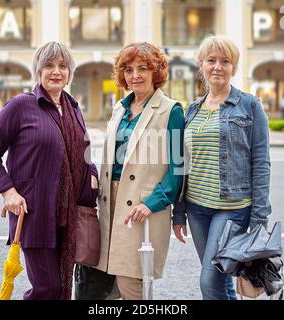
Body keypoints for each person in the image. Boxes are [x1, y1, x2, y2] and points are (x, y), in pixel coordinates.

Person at [0, 41, 99, 300]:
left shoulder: (73, 108)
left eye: (62, 66)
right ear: (38, 70)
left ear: (70, 72)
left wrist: (95, 184)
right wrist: (8, 192)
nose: (56, 71)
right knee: (48, 289)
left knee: (62, 289)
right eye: (49, 65)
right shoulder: (21, 106)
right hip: (35, 214)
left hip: (70, 215)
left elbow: (83, 155)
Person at [172, 35, 272, 300]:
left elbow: (261, 162)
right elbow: (182, 163)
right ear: (201, 66)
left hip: (232, 208)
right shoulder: (192, 110)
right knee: (222, 279)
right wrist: (179, 211)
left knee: (209, 281)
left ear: (233, 68)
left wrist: (259, 217)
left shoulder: (249, 105)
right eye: (211, 61)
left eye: (225, 61)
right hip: (196, 208)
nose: (217, 66)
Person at [94, 42, 185, 300]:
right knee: (110, 282)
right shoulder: (120, 108)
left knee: (131, 281)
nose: (135, 75)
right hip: (110, 201)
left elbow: (178, 168)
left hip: (141, 206)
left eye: (143, 68)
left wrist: (154, 203)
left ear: (156, 72)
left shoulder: (171, 110)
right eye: (129, 69)